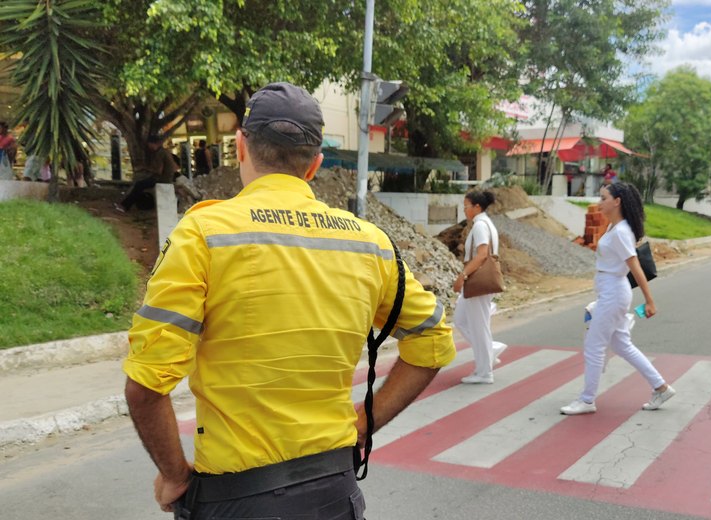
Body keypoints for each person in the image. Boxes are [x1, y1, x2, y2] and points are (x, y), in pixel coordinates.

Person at [123, 81, 456, 518]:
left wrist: (174, 476)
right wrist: (364, 423)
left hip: (237, 501)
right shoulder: (369, 244)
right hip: (335, 494)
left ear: (241, 147)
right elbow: (433, 342)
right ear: (314, 165)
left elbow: (146, 387)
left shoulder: (204, 235)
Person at [560, 181, 675, 415]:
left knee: (594, 346)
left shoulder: (621, 231)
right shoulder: (615, 228)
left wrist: (650, 300)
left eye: (603, 198)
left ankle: (587, 400)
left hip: (614, 292)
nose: (599, 202)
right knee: (622, 345)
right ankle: (661, 387)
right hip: (611, 290)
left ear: (617, 201)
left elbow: (635, 267)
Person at [453, 190, 507, 384]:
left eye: (466, 206)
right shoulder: (483, 223)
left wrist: (463, 275)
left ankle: (484, 372)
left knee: (478, 326)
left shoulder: (480, 226)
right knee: (461, 320)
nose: (464, 209)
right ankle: (491, 350)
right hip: (479, 281)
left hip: (478, 280)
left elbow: (483, 254)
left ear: (477, 207)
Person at [115, 134, 177, 212]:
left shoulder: (160, 153)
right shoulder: (165, 151)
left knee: (139, 185)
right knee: (141, 183)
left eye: (149, 145)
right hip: (166, 177)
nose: (149, 147)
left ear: (153, 144)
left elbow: (158, 170)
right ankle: (125, 204)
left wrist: (145, 168)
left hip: (162, 179)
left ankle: (125, 206)